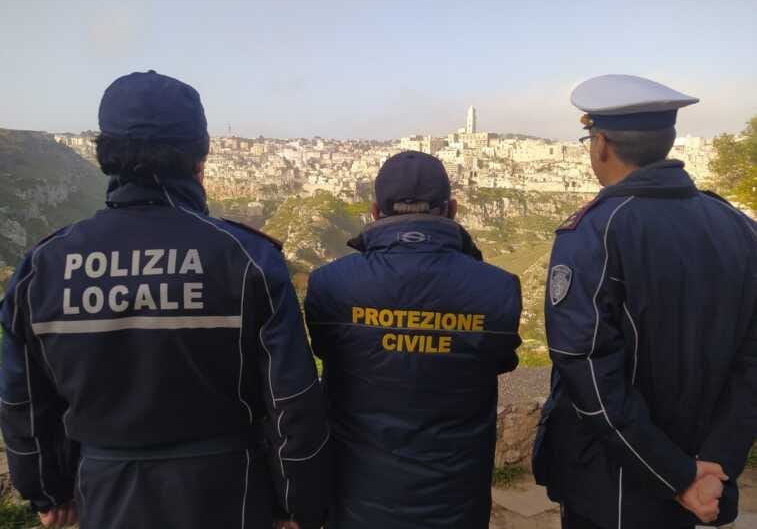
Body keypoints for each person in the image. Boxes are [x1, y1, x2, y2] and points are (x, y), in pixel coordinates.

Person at [0, 70, 330, 529]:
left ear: (103, 153)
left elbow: (23, 401)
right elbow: (291, 400)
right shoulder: (248, 259)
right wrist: (297, 505)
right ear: (201, 155)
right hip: (229, 495)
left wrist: (47, 492)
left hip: (105, 493)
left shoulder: (43, 267)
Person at [533, 74, 756, 529]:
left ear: (601, 145)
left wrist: (677, 477)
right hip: (705, 475)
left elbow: (587, 372)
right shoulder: (739, 227)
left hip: (614, 488)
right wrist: (715, 464)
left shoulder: (596, 231)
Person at [305, 151, 522, 528]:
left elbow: (326, 351)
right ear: (452, 210)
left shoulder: (329, 285)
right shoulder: (499, 289)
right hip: (456, 502)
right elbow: (500, 360)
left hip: (358, 498)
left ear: (375, 212)